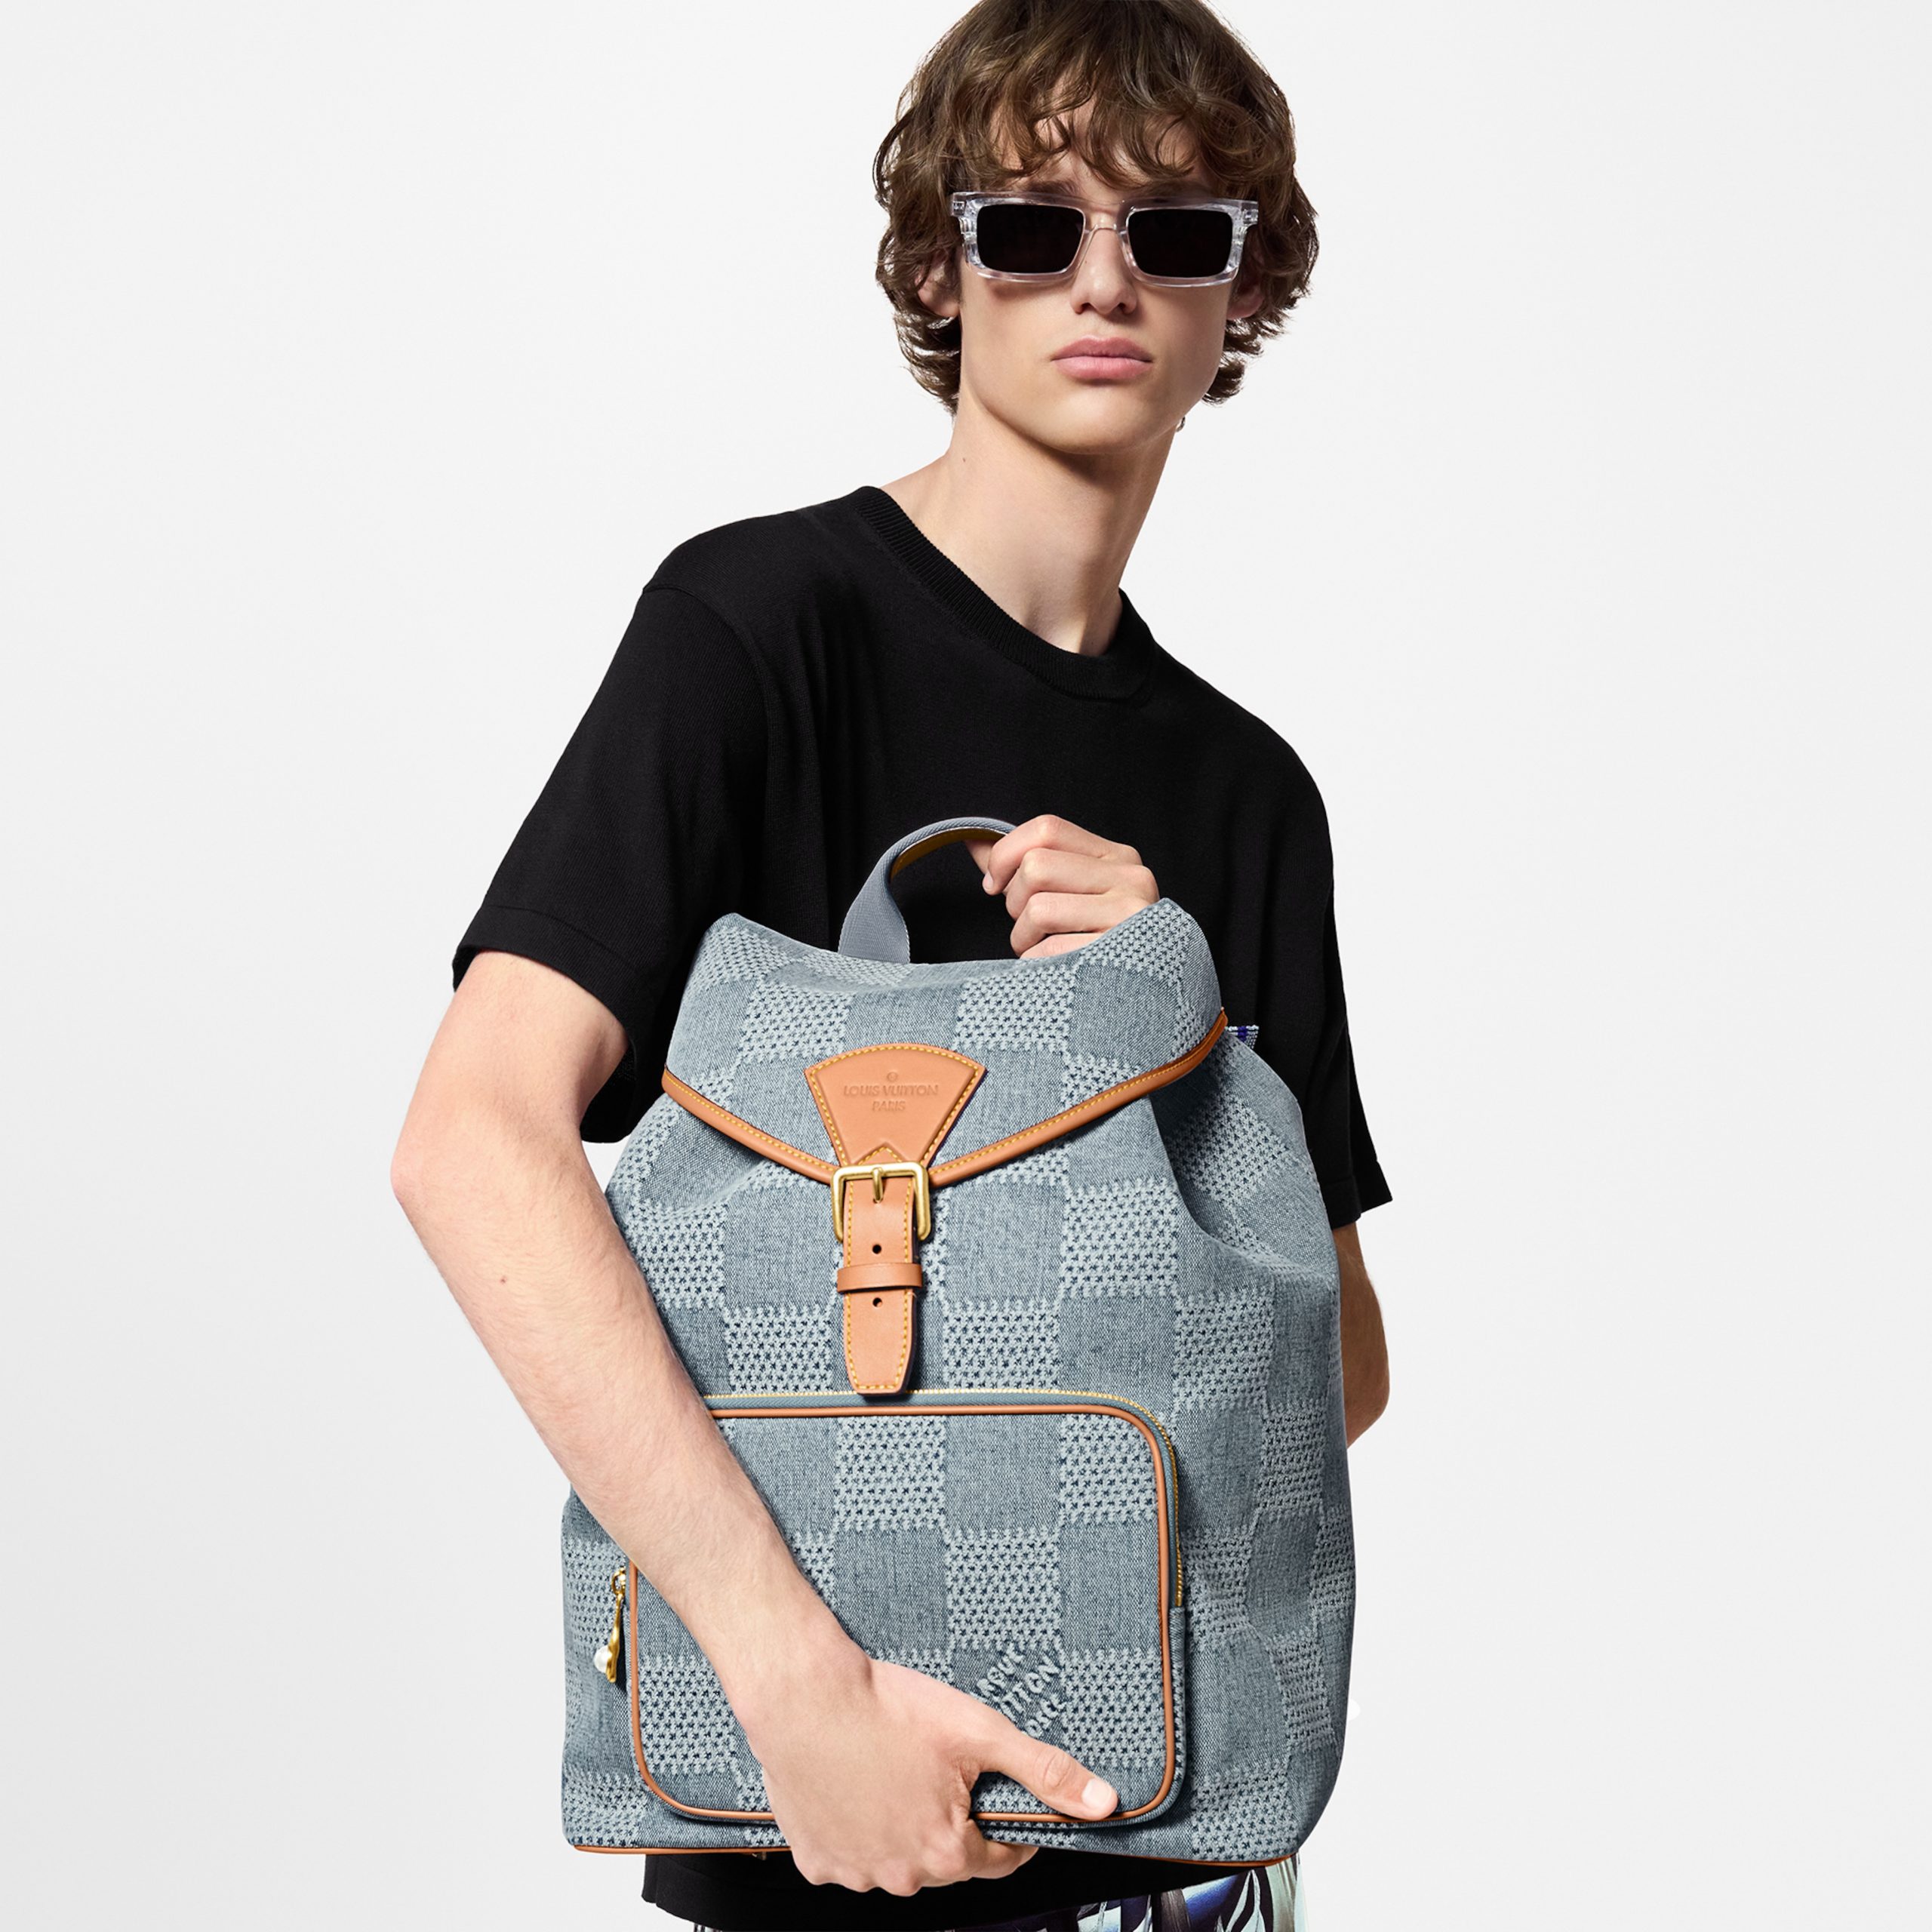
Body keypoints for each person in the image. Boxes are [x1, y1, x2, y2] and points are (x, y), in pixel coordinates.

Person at [392, 2, 1392, 1927]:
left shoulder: (1245, 794)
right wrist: (798, 1689)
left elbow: (1333, 1373)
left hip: (1184, 1854)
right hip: (814, 1837)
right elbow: (470, 1138)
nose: (1100, 278)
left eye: (1173, 231)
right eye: (1030, 224)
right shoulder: (758, 629)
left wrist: (1176, 1026)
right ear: (940, 265)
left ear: (1237, 291)